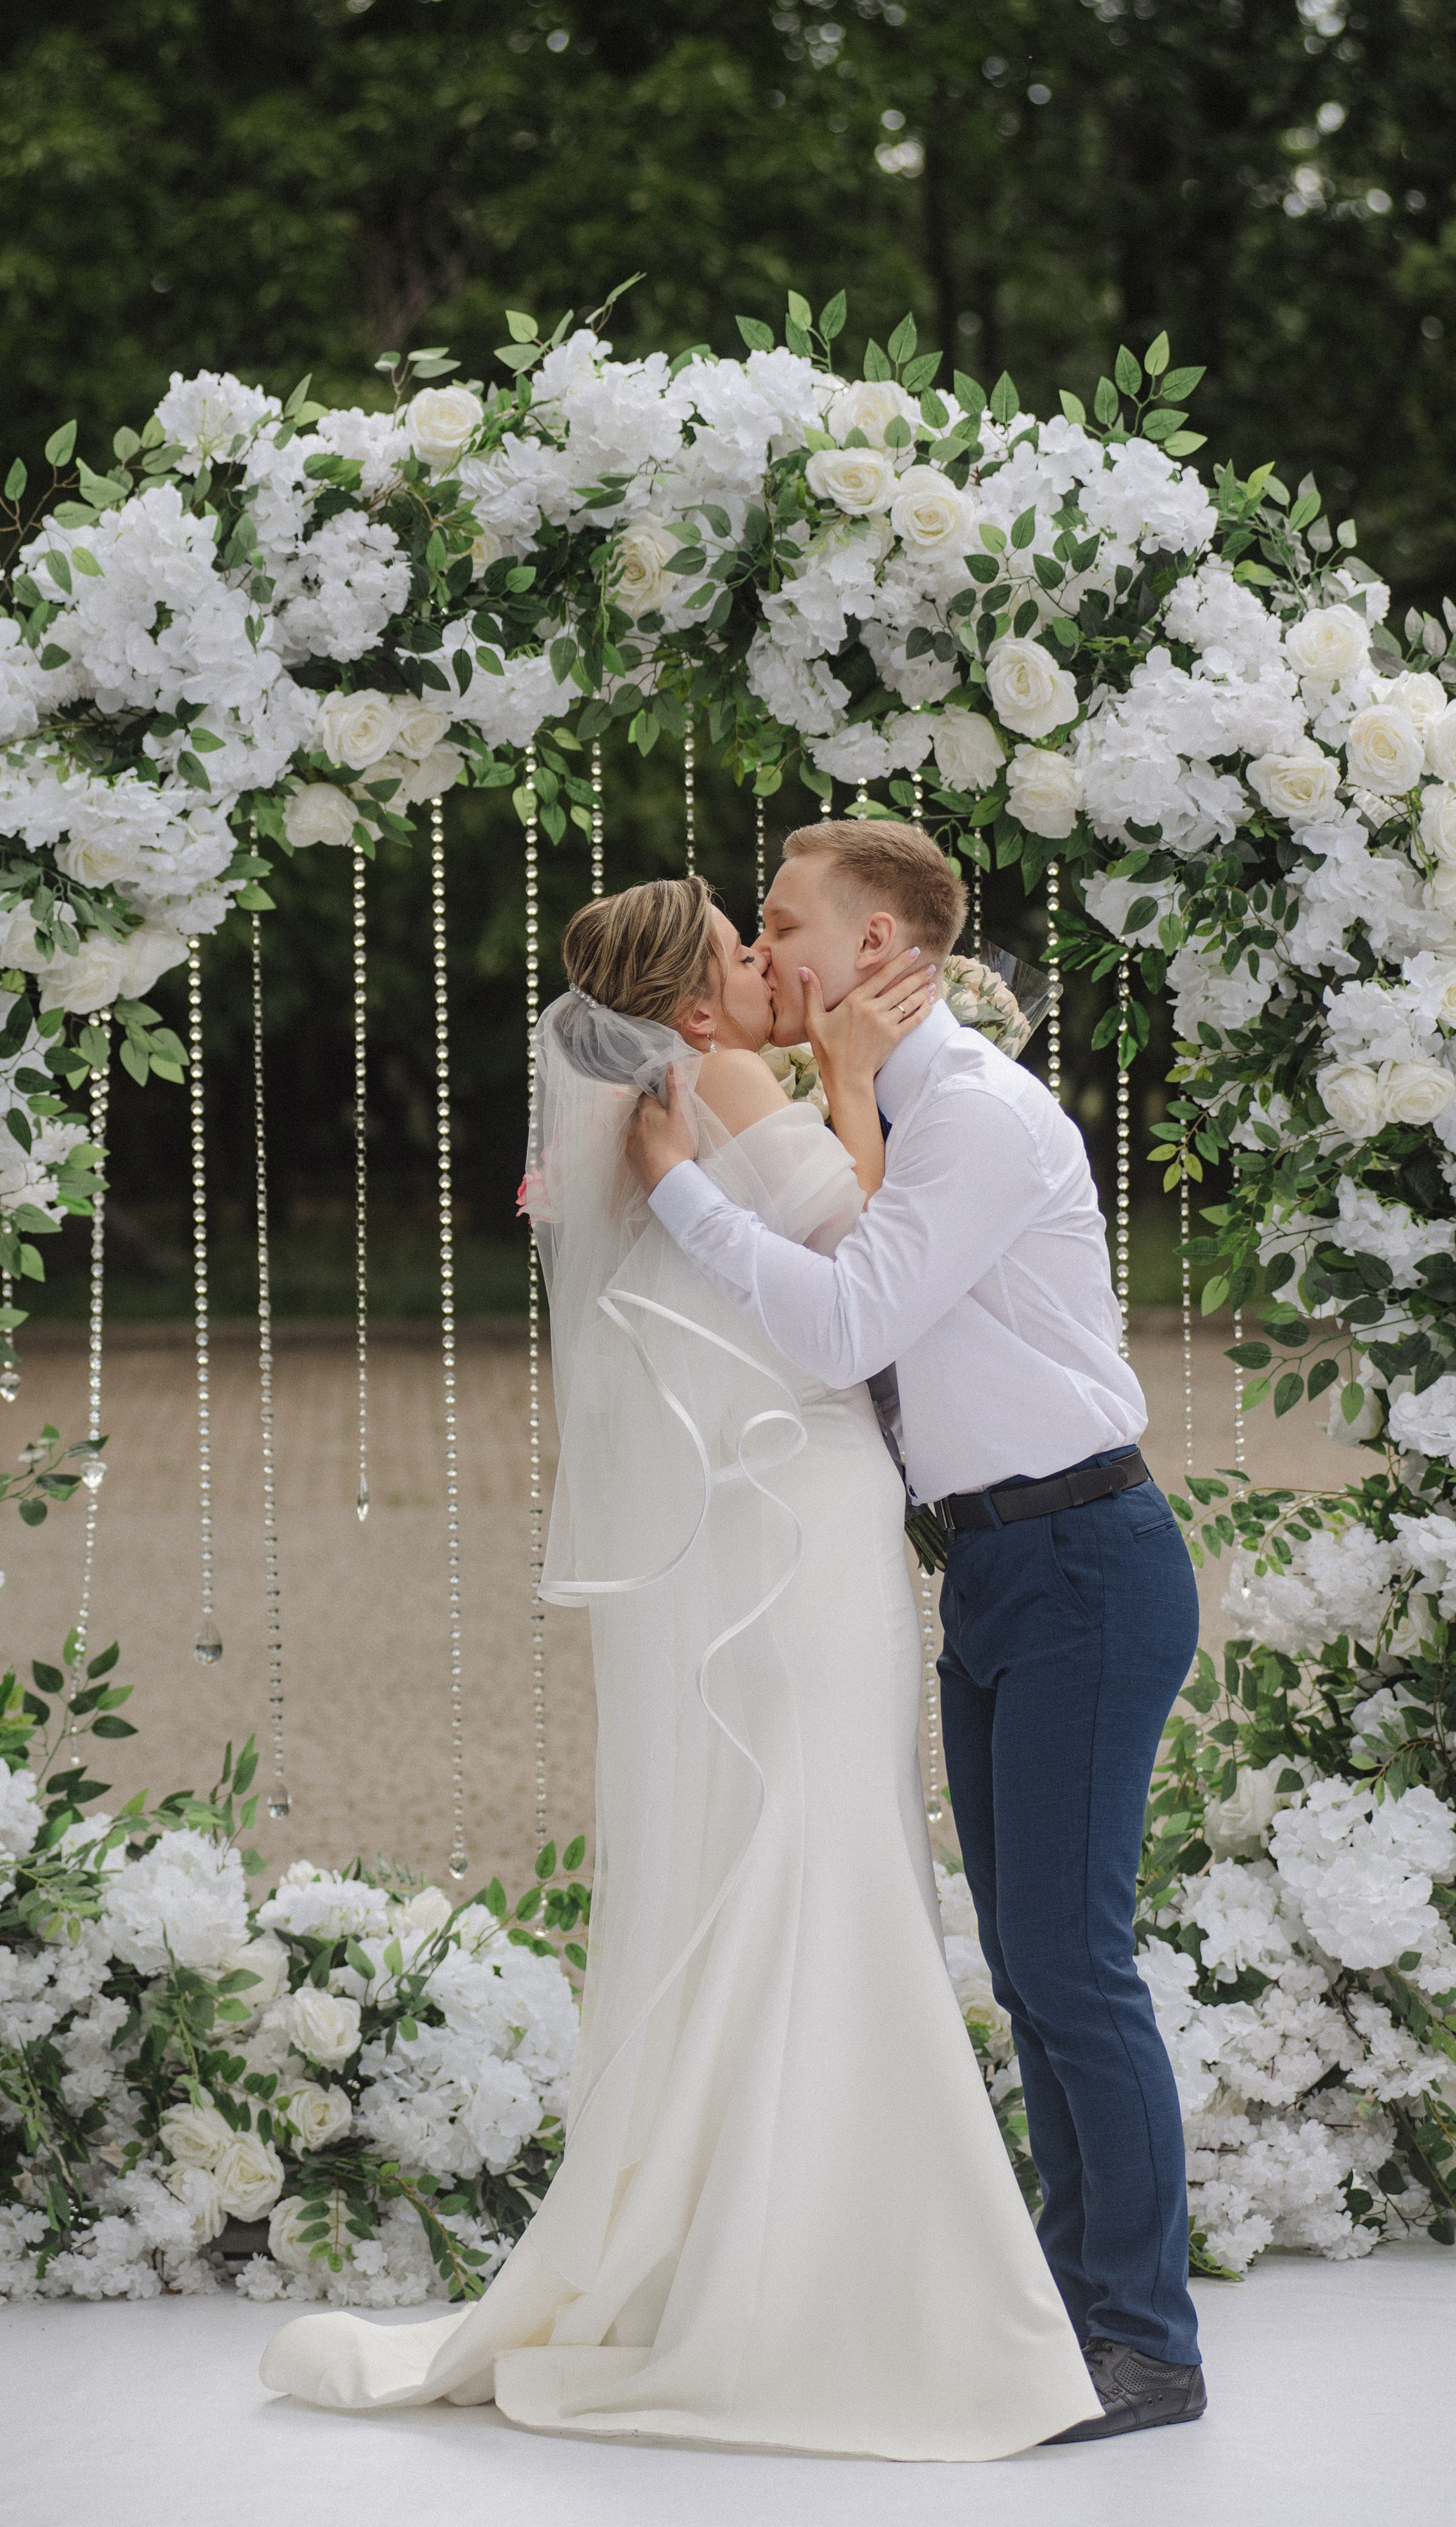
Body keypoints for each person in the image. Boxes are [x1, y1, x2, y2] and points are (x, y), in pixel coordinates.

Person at [259, 874, 1101, 2457]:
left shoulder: (689, 1086)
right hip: (801, 1522)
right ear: (697, 1005)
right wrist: (853, 1080)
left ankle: (760, 2226)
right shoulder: (724, 1081)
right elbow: (861, 1264)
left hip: (772, 1518)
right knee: (829, 1849)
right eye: (740, 945)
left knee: (801, 1846)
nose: (767, 956)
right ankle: (832, 2267)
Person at [627, 818, 1207, 2446]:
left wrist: (675, 1190)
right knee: (1025, 1967)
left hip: (1084, 1558)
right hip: (994, 1567)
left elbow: (845, 1325)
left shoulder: (979, 1118)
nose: (760, 946)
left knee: (1073, 1966)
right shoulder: (891, 1110)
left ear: (874, 945)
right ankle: (1069, 2302)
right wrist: (830, 1098)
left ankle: (1144, 2342)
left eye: (781, 919)